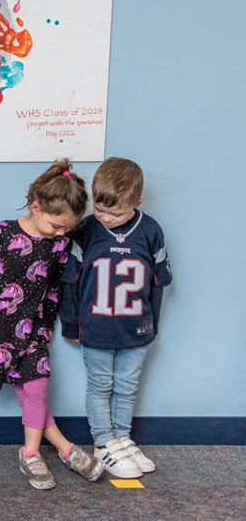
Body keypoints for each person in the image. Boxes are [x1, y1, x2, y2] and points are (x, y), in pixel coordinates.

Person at [0, 159, 103, 490]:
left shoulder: (61, 244)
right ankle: (65, 449)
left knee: (36, 388)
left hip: (30, 327)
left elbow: (53, 289)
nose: (62, 232)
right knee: (29, 396)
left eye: (68, 227)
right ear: (35, 207)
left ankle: (31, 453)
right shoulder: (2, 232)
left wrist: (47, 323)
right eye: (57, 225)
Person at [61, 157, 172, 478]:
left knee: (127, 385)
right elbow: (69, 281)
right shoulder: (85, 231)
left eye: (117, 213)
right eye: (99, 209)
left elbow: (159, 283)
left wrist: (153, 325)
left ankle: (122, 437)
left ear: (138, 202)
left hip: (136, 326)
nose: (107, 218)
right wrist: (70, 323)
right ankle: (103, 442)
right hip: (96, 326)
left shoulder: (150, 231)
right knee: (100, 385)